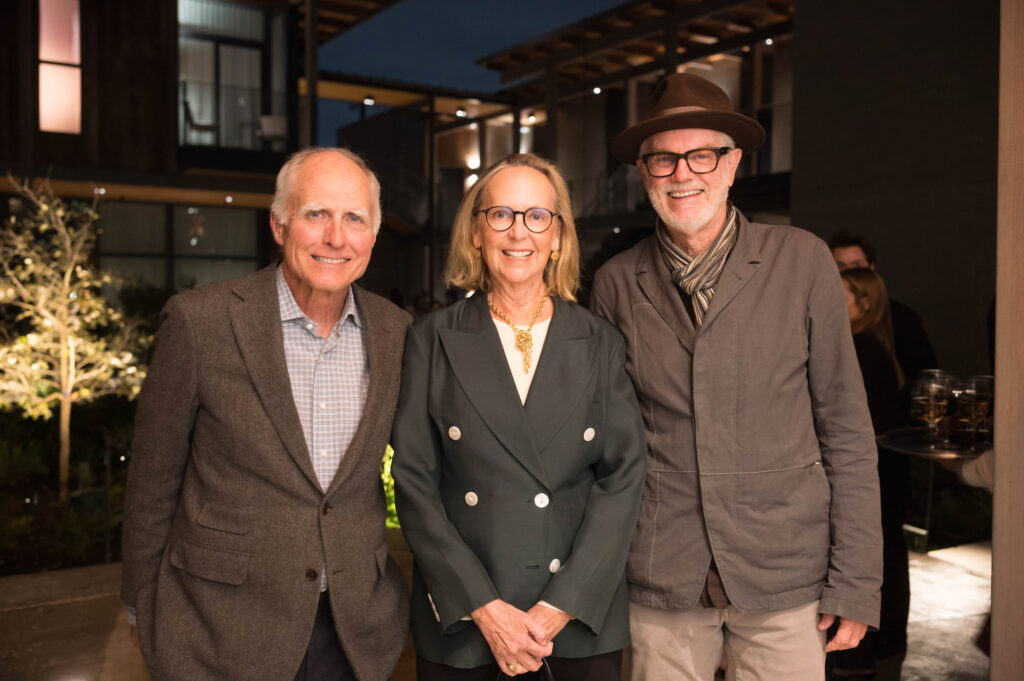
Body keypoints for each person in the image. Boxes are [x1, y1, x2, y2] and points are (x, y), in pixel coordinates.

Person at [590, 72, 882, 681]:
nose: (682, 174)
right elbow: (608, 441)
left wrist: (856, 582)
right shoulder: (616, 281)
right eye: (663, 160)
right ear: (643, 172)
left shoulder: (801, 259)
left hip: (785, 570)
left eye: (701, 155)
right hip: (661, 569)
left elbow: (847, 430)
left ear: (732, 164)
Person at [120, 147, 411, 681]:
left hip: (353, 630)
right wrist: (142, 603)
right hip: (219, 628)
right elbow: (152, 478)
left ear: (373, 236)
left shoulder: (396, 331)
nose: (335, 237)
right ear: (279, 225)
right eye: (316, 214)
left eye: (354, 219)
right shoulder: (199, 321)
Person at [391, 153, 646, 681]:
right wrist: (485, 606)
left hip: (575, 623)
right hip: (468, 620)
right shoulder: (431, 338)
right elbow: (414, 481)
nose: (518, 232)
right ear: (477, 231)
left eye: (537, 216)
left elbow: (623, 478)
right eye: (500, 214)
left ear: (557, 236)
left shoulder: (599, 341)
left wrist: (561, 605)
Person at [834, 268, 911, 681]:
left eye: (841, 294)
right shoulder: (872, 343)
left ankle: (861, 654)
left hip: (872, 469)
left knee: (870, 556)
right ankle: (882, 646)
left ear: (864, 304)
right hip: (885, 466)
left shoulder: (859, 347)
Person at [830, 231, 938, 395]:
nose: (850, 274)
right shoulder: (822, 317)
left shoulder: (902, 319)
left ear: (872, 268)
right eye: (841, 267)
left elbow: (925, 378)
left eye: (857, 266)